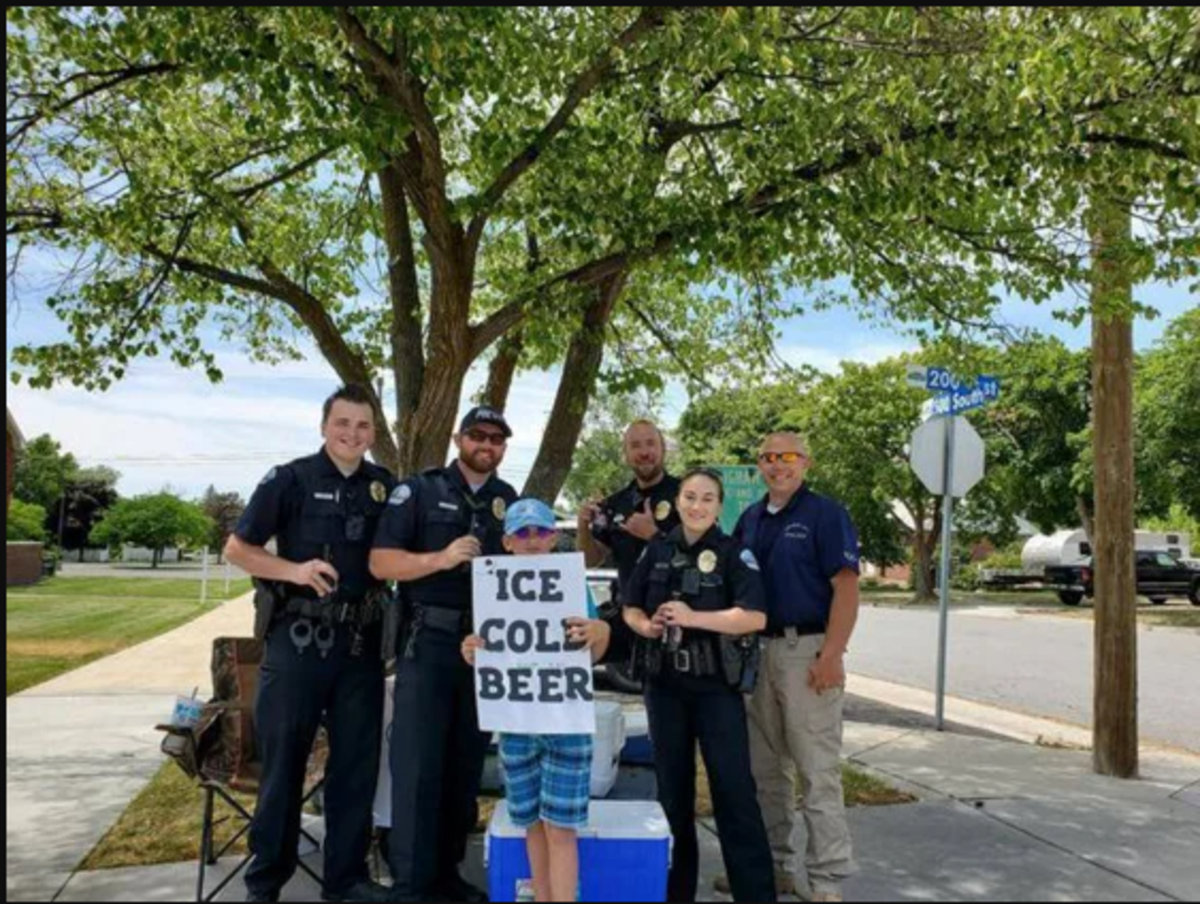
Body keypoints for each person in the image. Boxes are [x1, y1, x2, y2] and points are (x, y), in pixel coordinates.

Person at [224, 384, 395, 904]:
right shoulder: (290, 479)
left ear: (373, 433)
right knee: (283, 772)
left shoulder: (385, 486)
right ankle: (265, 885)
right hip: (296, 646)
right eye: (343, 423)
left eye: (363, 426)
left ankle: (345, 882)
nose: (352, 434)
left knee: (355, 771)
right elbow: (237, 549)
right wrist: (293, 570)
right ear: (324, 426)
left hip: (359, 650)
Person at [370, 406, 519, 903]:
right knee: (418, 767)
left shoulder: (507, 500)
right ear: (459, 438)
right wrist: (441, 558)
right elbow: (381, 560)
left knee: (464, 765)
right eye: (478, 435)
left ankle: (446, 873)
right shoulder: (420, 490)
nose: (487, 444)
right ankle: (411, 883)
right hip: (427, 643)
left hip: (484, 651)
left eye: (497, 439)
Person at [623, 469, 776, 903]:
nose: (697, 505)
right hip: (665, 687)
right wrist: (646, 626)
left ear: (718, 506)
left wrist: (694, 617)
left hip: (715, 689)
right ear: (680, 500)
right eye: (690, 496)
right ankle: (674, 893)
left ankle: (756, 894)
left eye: (707, 498)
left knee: (734, 792)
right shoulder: (657, 549)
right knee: (673, 796)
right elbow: (631, 607)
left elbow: (754, 617)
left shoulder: (733, 553)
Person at [725, 432, 861, 903]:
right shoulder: (751, 518)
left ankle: (825, 879)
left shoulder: (825, 515)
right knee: (765, 771)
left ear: (806, 462)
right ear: (758, 465)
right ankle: (775, 867)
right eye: (767, 457)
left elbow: (846, 587)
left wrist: (833, 655)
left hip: (808, 651)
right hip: (757, 654)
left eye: (787, 456)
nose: (777, 465)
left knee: (816, 770)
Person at [461, 498, 612, 903]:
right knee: (531, 825)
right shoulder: (492, 587)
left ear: (554, 539)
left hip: (566, 722)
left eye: (541, 532)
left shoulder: (572, 585)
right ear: (507, 542)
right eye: (522, 533)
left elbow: (593, 652)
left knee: (561, 829)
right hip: (516, 723)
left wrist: (600, 632)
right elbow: (487, 649)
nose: (532, 540)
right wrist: (471, 649)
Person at [577, 419, 680, 673]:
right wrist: (582, 526)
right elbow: (591, 560)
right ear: (626, 454)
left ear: (663, 448)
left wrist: (653, 535)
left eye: (650, 443)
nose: (644, 452)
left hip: (678, 619)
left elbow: (706, 559)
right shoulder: (615, 504)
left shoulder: (686, 496)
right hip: (631, 619)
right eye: (635, 446)